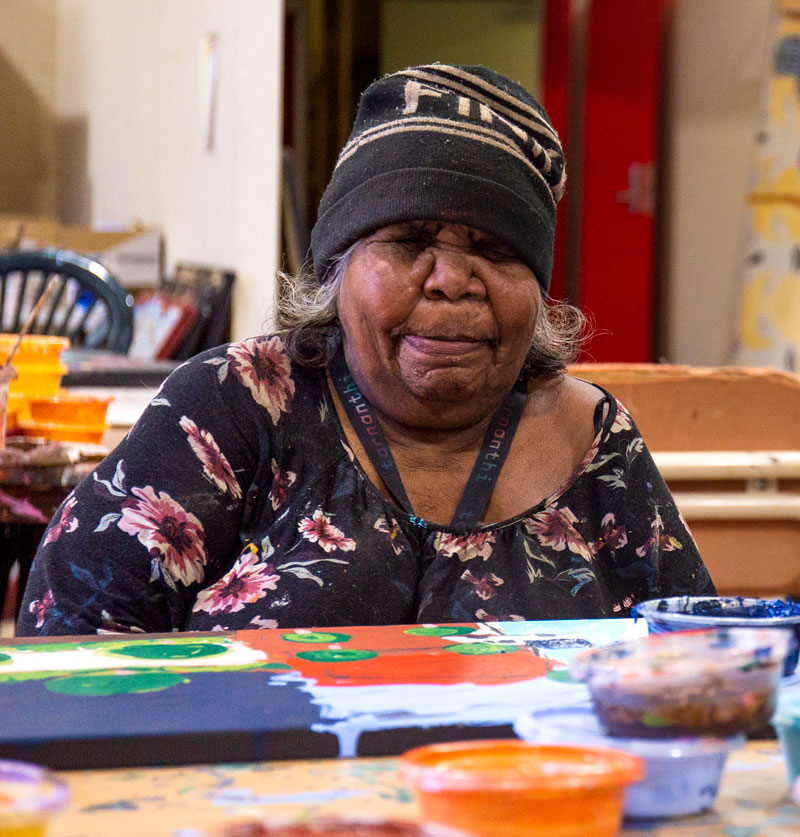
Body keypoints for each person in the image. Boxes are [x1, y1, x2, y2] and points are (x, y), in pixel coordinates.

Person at [17, 63, 715, 636]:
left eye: (495, 250)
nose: (451, 281)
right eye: (410, 244)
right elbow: (68, 640)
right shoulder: (234, 407)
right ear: (340, 267)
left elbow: (697, 658)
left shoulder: (592, 441)